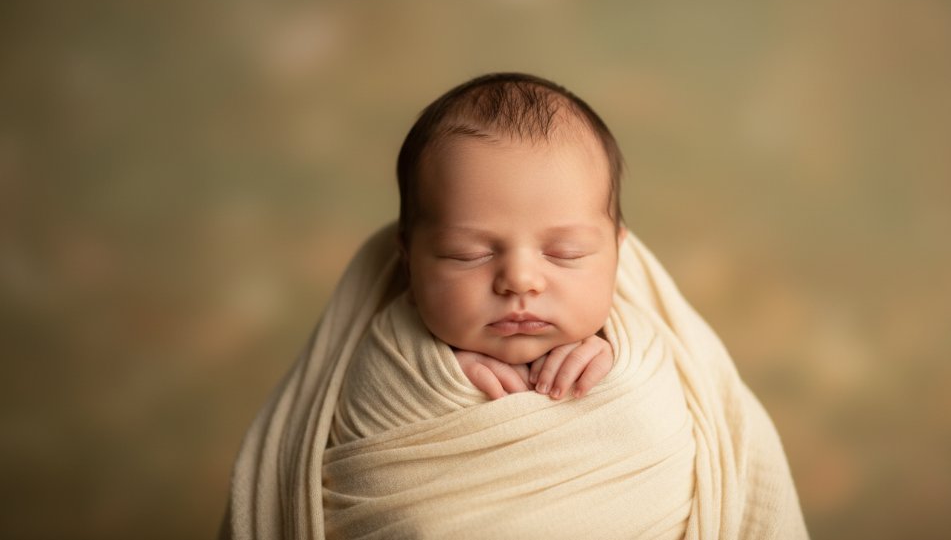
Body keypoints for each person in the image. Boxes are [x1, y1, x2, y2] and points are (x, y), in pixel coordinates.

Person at [222, 73, 809, 540]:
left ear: (617, 254)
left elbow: (671, 456)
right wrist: (433, 375)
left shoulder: (647, 360)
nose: (520, 279)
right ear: (407, 258)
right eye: (466, 254)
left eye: (567, 252)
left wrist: (609, 368)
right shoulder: (386, 365)